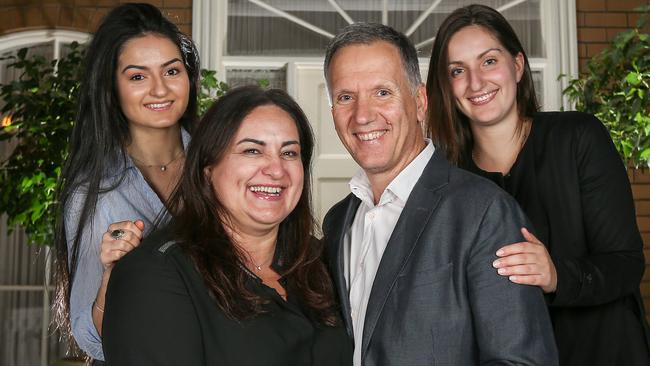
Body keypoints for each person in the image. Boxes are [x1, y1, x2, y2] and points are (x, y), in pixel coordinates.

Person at [425, 4, 650, 366]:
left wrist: (556, 274)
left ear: (517, 66)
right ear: (445, 86)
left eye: (488, 61)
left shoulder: (578, 137)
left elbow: (625, 264)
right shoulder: (447, 178)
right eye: (457, 70)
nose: (475, 82)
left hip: (605, 351)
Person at [322, 22, 557, 366]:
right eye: (346, 97)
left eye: (382, 93)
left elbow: (521, 361)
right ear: (333, 113)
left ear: (419, 103)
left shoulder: (484, 212)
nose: (363, 115)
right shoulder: (336, 222)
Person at [101, 86, 352, 365]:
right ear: (208, 170)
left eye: (290, 153)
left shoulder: (321, 262)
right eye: (252, 150)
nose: (276, 169)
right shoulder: (154, 274)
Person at [52, 3, 200, 363]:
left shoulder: (221, 165)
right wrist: (110, 277)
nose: (160, 89)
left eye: (171, 71)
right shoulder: (95, 195)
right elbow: (91, 338)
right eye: (137, 76)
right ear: (111, 87)